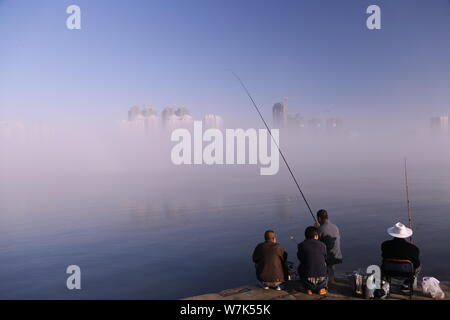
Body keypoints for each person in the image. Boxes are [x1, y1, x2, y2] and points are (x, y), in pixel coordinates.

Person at [381, 222, 421, 290]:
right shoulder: (414, 248)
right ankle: (407, 283)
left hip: (389, 271)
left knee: (384, 264)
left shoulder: (385, 245)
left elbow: (383, 257)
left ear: (393, 234)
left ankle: (385, 282)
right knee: (418, 267)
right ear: (405, 235)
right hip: (407, 273)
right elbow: (417, 265)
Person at [297, 226, 328, 295]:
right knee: (325, 265)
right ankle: (321, 288)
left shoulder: (301, 245)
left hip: (307, 281)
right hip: (322, 281)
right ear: (316, 236)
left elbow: (300, 258)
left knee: (300, 266)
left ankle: (308, 289)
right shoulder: (323, 245)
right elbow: (325, 258)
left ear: (306, 236)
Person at [316, 209, 342, 282]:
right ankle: (331, 277)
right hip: (337, 255)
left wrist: (316, 228)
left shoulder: (320, 229)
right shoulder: (335, 226)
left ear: (319, 218)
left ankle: (326, 279)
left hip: (329, 257)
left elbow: (314, 243)